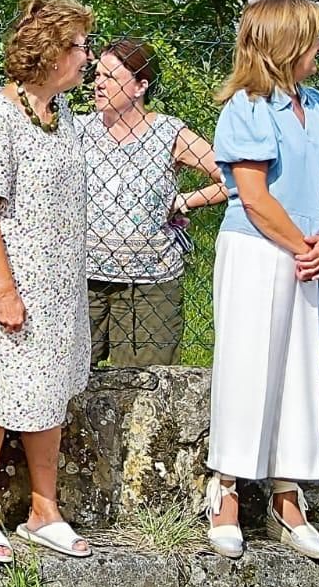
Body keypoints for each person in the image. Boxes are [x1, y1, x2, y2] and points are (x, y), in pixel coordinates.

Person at [203, 0, 319, 563]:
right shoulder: (246, 108)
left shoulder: (318, 104)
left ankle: (288, 497)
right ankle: (226, 492)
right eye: (313, 39)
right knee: (248, 369)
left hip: (304, 254)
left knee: (296, 373)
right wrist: (303, 245)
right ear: (287, 44)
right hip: (259, 253)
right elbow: (254, 198)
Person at [0, 0, 95, 564]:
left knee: (48, 392)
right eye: (80, 46)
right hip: (11, 282)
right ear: (52, 52)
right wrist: (5, 291)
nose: (88, 57)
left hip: (59, 284)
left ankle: (45, 510)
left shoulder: (60, 118)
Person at [81, 39, 225, 367]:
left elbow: (232, 178)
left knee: (145, 385)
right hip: (84, 279)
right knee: (71, 379)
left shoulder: (169, 133)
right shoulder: (79, 129)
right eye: (97, 75)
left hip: (149, 285)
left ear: (139, 86)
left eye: (111, 77)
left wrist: (186, 201)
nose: (98, 83)